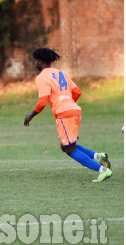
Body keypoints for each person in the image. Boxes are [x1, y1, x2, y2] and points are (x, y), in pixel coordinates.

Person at [24, 48, 112, 182]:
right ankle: (98, 157)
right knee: (67, 146)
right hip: (75, 111)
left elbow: (42, 102)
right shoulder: (62, 73)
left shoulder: (41, 77)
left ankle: (102, 170)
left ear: (41, 61)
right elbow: (77, 91)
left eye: (36, 61)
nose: (35, 64)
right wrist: (69, 103)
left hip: (65, 114)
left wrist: (31, 115)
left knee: (69, 149)